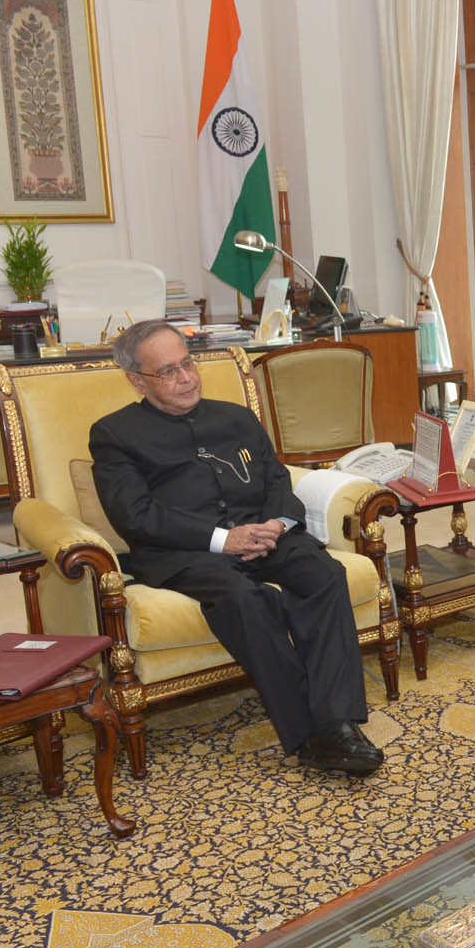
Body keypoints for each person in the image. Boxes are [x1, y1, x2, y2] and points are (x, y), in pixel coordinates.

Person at [89, 320, 383, 775]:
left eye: (188, 364)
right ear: (136, 380)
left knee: (324, 575)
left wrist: (277, 524)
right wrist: (225, 540)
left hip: (264, 536)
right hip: (185, 553)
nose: (186, 378)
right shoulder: (114, 434)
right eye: (168, 372)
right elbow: (135, 515)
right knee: (246, 598)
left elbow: (278, 478)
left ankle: (335, 721)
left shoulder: (236, 417)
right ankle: (315, 734)